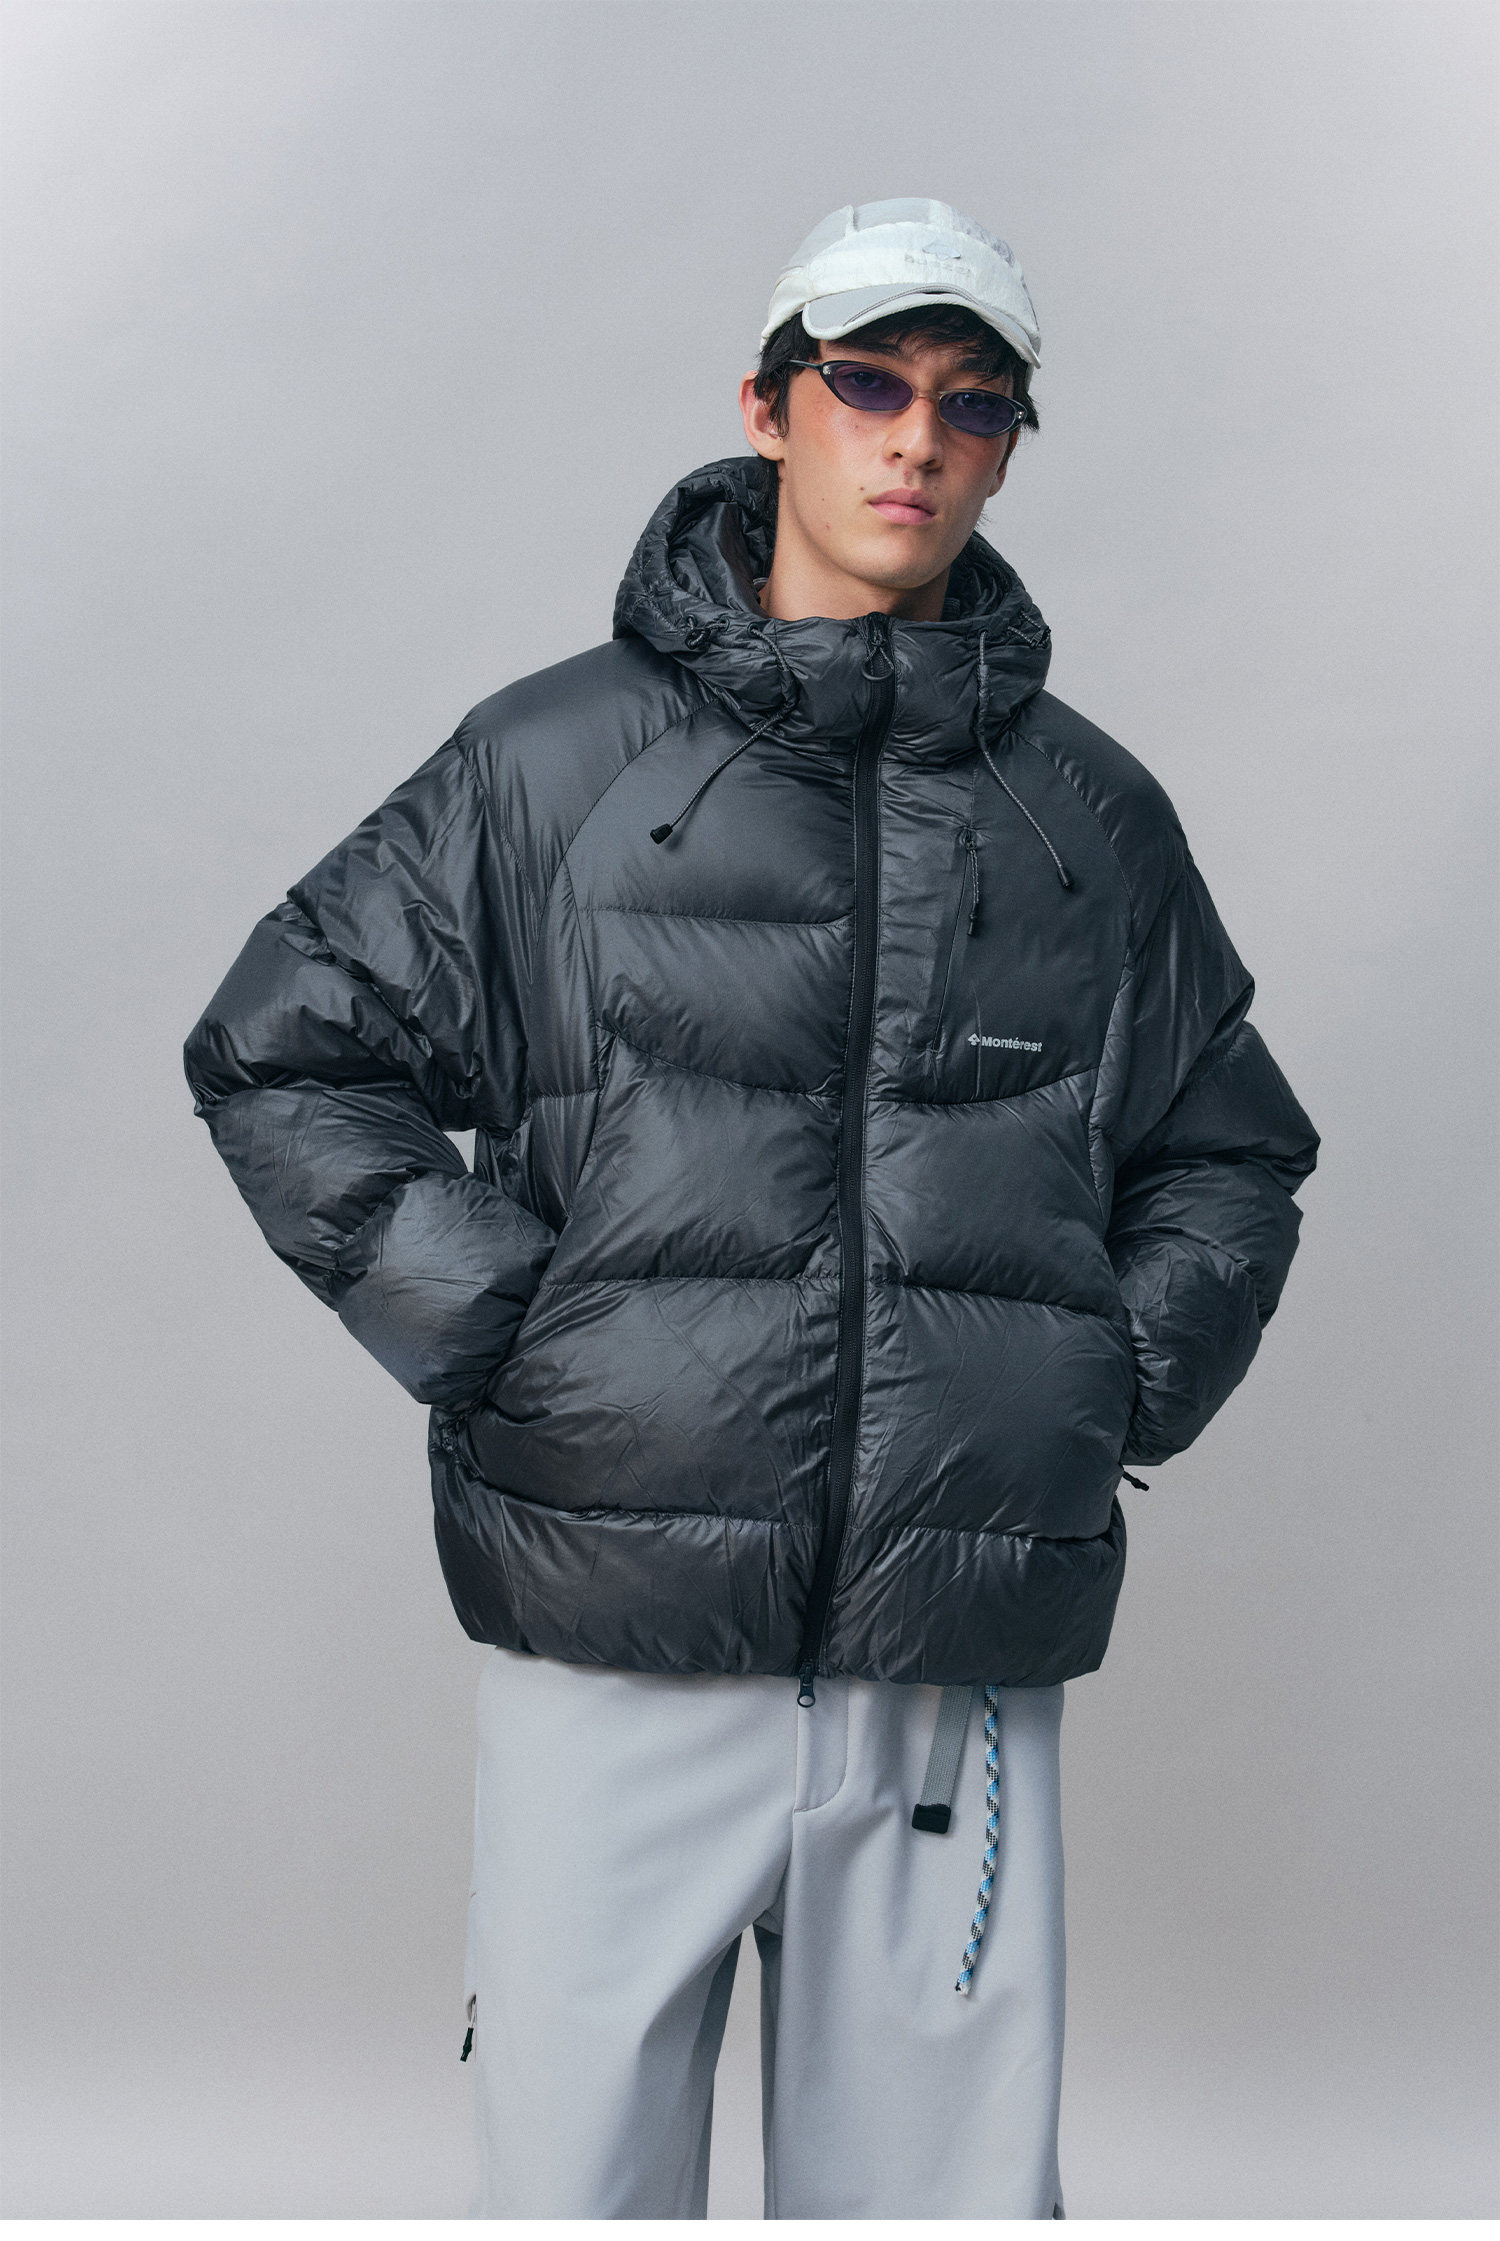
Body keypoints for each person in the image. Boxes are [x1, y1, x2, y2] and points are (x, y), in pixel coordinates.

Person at [184, 198, 1318, 2219]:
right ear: (768, 406)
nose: (916, 439)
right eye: (868, 383)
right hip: (614, 1628)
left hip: (950, 1668)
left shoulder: (1089, 817)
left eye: (972, 404)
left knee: (939, 2206)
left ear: (1006, 449)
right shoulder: (554, 767)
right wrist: (526, 1343)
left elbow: (1230, 1144)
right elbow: (284, 1045)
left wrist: (1109, 1383)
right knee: (580, 2190)